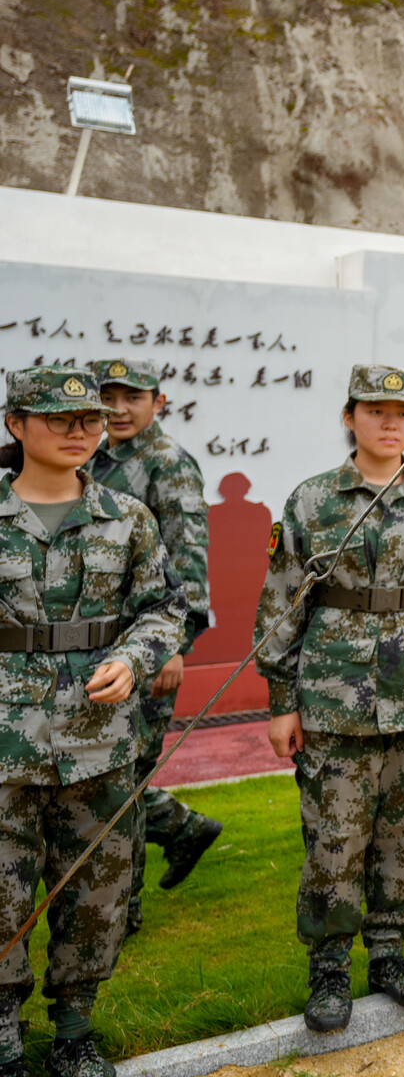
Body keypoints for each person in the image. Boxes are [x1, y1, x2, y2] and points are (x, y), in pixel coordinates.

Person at [254, 365, 404, 1034]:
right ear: (350, 417)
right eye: (376, 410)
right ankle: (329, 968)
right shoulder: (313, 500)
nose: (391, 422)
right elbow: (281, 604)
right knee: (335, 839)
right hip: (333, 697)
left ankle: (390, 954)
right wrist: (280, 700)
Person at [0, 366, 184, 1077]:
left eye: (90, 421)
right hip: (8, 738)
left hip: (99, 741)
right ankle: (5, 1031)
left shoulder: (127, 516)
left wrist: (136, 659)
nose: (80, 432)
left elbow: (164, 607)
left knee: (97, 889)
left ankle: (76, 1027)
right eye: (59, 419)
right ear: (16, 425)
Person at [88, 357, 223, 931]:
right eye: (108, 398)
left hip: (148, 644)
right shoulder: (91, 460)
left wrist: (174, 646)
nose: (119, 409)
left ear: (157, 402)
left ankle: (127, 906)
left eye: (132, 397)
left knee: (124, 777)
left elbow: (188, 557)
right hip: (97, 645)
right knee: (103, 774)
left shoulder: (167, 464)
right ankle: (182, 827)